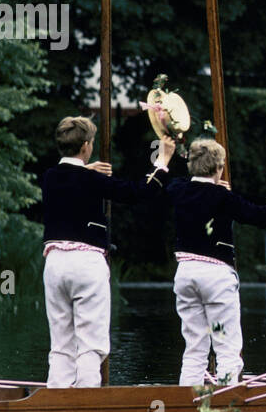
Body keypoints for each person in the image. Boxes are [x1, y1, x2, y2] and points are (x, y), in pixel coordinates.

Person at [41, 116, 174, 388]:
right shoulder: (92, 179)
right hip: (87, 263)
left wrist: (87, 170)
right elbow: (140, 193)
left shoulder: (50, 177)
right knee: (91, 343)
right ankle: (86, 401)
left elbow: (70, 179)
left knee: (61, 342)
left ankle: (55, 400)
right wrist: (162, 162)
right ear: (87, 146)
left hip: (54, 264)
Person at [165, 138, 266, 386]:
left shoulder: (178, 190)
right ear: (218, 168)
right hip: (215, 277)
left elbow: (178, 183)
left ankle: (184, 401)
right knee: (226, 347)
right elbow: (260, 216)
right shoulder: (223, 197)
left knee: (194, 348)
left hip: (185, 274)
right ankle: (228, 402)